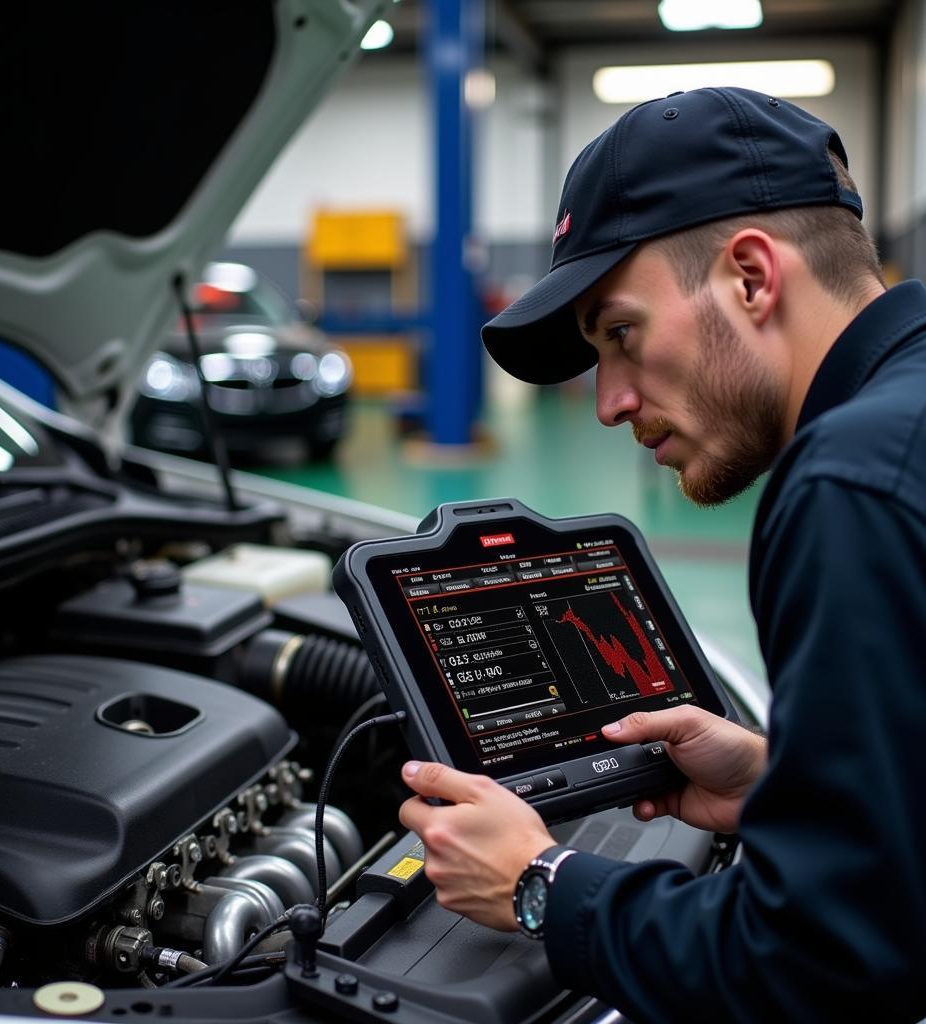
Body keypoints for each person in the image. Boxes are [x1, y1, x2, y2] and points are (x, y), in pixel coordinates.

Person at [397, 87, 926, 1023]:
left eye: (621, 334)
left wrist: (540, 884)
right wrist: (783, 782)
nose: (608, 402)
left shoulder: (849, 485)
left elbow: (823, 970)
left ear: (753, 278)